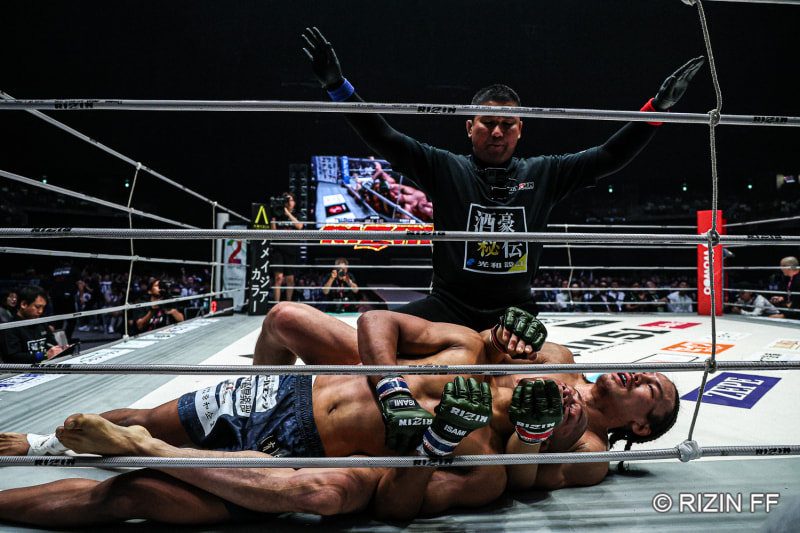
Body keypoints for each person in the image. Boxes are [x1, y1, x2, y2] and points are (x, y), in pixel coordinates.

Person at [0, 311, 578, 526]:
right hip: (285, 395)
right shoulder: (469, 348)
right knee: (143, 415)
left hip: (296, 459)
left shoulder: (487, 466)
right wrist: (392, 386)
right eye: (555, 382)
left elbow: (395, 507)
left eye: (558, 404)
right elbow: (376, 321)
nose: (552, 392)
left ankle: (145, 451)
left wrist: (436, 444)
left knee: (134, 495)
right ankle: (41, 442)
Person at [301, 26, 704, 331]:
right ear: (469, 127)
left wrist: (657, 108)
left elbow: (609, 156)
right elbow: (384, 137)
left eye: (507, 124)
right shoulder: (445, 166)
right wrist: (338, 87)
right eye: (488, 123)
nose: (497, 132)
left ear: (520, 129)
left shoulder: (543, 172)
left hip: (515, 312)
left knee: (542, 380)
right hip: (447, 306)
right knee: (373, 327)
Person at [255, 302, 680, 489]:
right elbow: (477, 349)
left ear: (640, 426)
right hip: (411, 374)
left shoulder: (591, 451)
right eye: (647, 371)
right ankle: (251, 402)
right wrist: (500, 337)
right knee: (284, 318)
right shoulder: (559, 356)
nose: (639, 375)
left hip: (435, 428)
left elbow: (522, 483)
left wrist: (535, 435)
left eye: (651, 387)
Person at [0, 284, 64, 363]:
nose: (40, 311)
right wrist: (44, 355)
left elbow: (52, 344)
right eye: (37, 307)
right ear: (23, 304)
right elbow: (12, 358)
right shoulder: (10, 327)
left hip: (47, 366)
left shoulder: (41, 323)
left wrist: (60, 350)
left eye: (43, 307)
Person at [270, 191, 303, 304]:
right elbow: (273, 232)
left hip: (291, 249)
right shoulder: (277, 213)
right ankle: (276, 304)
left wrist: (288, 213)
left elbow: (300, 226)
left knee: (290, 279)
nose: (289, 203)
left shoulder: (297, 214)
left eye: (291, 200)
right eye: (286, 200)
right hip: (278, 249)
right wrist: (273, 216)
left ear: (294, 202)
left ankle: (288, 304)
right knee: (278, 277)